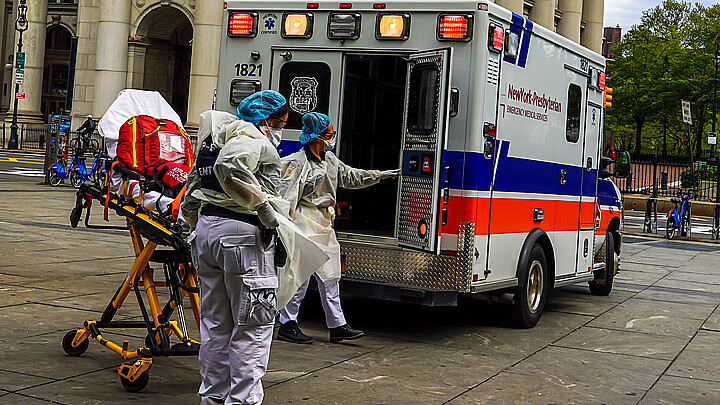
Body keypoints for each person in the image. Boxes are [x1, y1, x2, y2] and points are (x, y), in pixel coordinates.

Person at [182, 90, 289, 405]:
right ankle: (242, 401)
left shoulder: (212, 142)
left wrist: (192, 225)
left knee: (216, 326)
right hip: (242, 237)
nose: (280, 129)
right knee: (253, 328)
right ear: (266, 119)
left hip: (208, 230)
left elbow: (192, 188)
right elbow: (229, 167)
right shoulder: (250, 138)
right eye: (280, 122)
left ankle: (213, 399)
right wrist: (264, 208)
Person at [276, 112, 400, 344]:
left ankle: (337, 325)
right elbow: (287, 196)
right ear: (317, 136)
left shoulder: (330, 160)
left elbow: (350, 176)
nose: (332, 138)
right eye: (329, 135)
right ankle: (287, 323)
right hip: (304, 221)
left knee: (330, 275)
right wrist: (285, 229)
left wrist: (379, 176)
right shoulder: (297, 162)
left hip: (324, 222)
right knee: (300, 277)